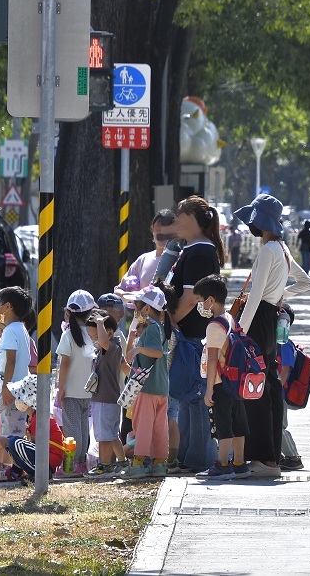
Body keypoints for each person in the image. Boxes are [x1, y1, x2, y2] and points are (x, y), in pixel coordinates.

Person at [233, 194, 310, 477]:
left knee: (254, 387)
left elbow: (255, 294)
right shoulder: (282, 248)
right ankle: (272, 457)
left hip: (258, 320)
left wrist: (238, 329)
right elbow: (306, 282)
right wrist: (281, 296)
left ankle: (262, 458)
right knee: (269, 386)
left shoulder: (268, 249)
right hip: (271, 318)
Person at [166, 196, 224, 473]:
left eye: (180, 215)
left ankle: (200, 459)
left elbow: (191, 297)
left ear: (191, 218)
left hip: (194, 336)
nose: (176, 221)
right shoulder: (193, 250)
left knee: (197, 400)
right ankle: (190, 458)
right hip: (190, 334)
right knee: (189, 399)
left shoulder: (200, 252)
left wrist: (172, 321)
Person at [194, 274, 251, 480]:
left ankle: (222, 465)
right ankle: (239, 463)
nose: (200, 305)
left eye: (200, 300)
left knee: (222, 423)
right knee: (238, 422)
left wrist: (209, 389)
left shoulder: (213, 326)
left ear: (210, 300)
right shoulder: (229, 318)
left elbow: (212, 360)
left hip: (221, 381)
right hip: (236, 380)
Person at [121, 285, 171, 479]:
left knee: (142, 425)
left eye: (138, 305)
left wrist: (138, 349)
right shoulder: (161, 329)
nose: (136, 309)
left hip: (147, 388)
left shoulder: (151, 329)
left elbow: (157, 352)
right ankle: (159, 463)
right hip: (161, 387)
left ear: (148, 308)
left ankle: (139, 463)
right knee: (159, 428)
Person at [54, 289, 97, 477]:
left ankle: (74, 465)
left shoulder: (68, 335)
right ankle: (83, 462)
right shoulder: (92, 333)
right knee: (83, 427)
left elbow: (64, 363)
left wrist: (60, 388)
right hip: (88, 391)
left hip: (70, 390)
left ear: (69, 312)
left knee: (72, 429)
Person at [0, 374, 66, 482]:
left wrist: (8, 442)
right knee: (12, 440)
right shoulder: (33, 418)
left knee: (13, 442)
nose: (16, 399)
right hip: (44, 457)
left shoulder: (41, 419)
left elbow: (37, 446)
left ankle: (42, 473)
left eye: (19, 397)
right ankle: (16, 472)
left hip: (48, 460)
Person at [0, 286, 35, 465]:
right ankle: (10, 467)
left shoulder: (11, 331)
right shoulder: (20, 328)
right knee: (12, 429)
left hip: (13, 390)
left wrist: (5, 387)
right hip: (19, 389)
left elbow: (11, 360)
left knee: (11, 433)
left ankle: (12, 468)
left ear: (7, 306)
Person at [85, 312, 131, 479]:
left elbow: (104, 342)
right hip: (109, 400)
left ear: (109, 333)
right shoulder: (112, 350)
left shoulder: (110, 347)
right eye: (91, 336)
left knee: (104, 437)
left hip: (105, 400)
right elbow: (125, 366)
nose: (94, 340)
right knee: (112, 435)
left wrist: (99, 322)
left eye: (96, 335)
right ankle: (122, 461)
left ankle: (105, 466)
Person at [277, 303, 303, 471]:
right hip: (276, 390)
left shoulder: (284, 343)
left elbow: (286, 368)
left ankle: (293, 457)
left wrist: (276, 387)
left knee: (279, 426)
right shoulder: (278, 341)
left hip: (280, 391)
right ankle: (277, 454)